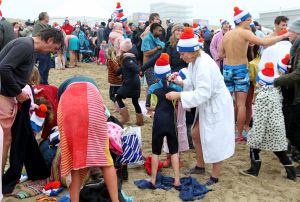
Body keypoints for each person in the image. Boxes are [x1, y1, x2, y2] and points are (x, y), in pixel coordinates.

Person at [166, 27, 235, 186]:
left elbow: (204, 92)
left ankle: (215, 175)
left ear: (191, 51)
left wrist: (180, 95)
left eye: (182, 53)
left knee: (215, 138)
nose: (180, 56)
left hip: (216, 104)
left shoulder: (204, 64)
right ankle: (200, 165)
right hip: (206, 103)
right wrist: (180, 82)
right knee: (196, 132)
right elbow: (191, 82)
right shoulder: (194, 61)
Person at [0, 28, 64, 193]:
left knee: (11, 139)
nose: (53, 52)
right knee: (5, 141)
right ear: (49, 40)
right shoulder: (25, 45)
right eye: (55, 48)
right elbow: (4, 68)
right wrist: (18, 92)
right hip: (4, 96)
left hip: (8, 95)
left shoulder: (27, 46)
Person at [219, 7, 290, 142]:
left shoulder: (227, 34)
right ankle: (239, 134)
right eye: (249, 20)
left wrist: (238, 48)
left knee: (228, 103)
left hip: (227, 69)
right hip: (240, 68)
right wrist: (283, 36)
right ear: (242, 21)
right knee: (241, 105)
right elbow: (264, 42)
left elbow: (220, 54)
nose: (250, 23)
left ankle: (227, 132)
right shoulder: (245, 32)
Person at [57, 76, 119, 202]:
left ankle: (74, 200)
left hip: (68, 109)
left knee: (74, 163)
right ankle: (115, 200)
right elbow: (106, 113)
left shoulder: (63, 89)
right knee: (106, 161)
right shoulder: (92, 84)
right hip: (92, 107)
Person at [240, 62, 296, 181]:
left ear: (261, 82)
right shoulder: (276, 92)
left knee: (253, 147)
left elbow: (260, 119)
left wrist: (255, 136)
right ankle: (292, 172)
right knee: (280, 151)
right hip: (277, 127)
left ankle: (254, 170)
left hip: (266, 129)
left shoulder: (262, 97)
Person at [146, 53, 182, 187]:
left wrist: (152, 111)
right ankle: (177, 179)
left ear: (156, 73)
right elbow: (181, 98)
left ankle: (153, 179)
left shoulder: (153, 88)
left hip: (158, 122)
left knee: (155, 151)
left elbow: (149, 107)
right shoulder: (176, 88)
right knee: (174, 151)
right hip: (171, 121)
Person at [274, 18, 300, 176]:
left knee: (292, 130)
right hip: (295, 93)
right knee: (294, 129)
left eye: (290, 31)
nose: (287, 34)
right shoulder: (296, 47)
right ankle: (297, 155)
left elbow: (299, 73)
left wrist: (277, 80)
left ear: (297, 32)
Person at [115, 39, 143, 126]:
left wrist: (139, 70)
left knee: (118, 97)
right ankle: (140, 121)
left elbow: (133, 67)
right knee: (135, 102)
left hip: (130, 83)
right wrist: (118, 71)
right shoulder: (131, 56)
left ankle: (125, 117)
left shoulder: (127, 58)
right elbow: (124, 68)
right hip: (135, 82)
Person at [33, 12, 52, 85]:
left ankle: (45, 82)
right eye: (48, 16)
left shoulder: (47, 25)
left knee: (47, 67)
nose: (49, 17)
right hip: (41, 50)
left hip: (47, 50)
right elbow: (37, 36)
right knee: (42, 68)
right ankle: (40, 83)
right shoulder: (38, 25)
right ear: (44, 17)